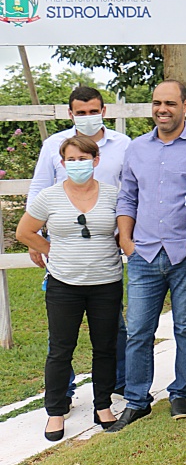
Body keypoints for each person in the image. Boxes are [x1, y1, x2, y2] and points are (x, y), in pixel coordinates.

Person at [108, 81, 186, 433]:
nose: (161, 109)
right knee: (138, 330)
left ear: (185, 105)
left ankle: (181, 393)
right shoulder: (137, 148)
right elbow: (128, 197)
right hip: (144, 254)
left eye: (169, 103)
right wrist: (126, 239)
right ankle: (137, 400)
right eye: (156, 103)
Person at [28, 85, 131, 398]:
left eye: (93, 111)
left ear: (103, 111)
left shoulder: (123, 145)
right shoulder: (53, 146)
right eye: (80, 112)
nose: (87, 117)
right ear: (71, 113)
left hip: (106, 246)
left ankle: (120, 385)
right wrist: (39, 243)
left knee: (114, 327)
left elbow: (130, 193)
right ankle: (63, 391)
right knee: (61, 334)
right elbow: (39, 190)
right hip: (65, 250)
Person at [17, 136, 123, 440]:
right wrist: (51, 249)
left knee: (105, 347)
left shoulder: (113, 196)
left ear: (96, 160)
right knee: (61, 349)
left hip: (106, 283)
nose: (78, 165)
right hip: (64, 285)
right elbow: (24, 231)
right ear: (62, 164)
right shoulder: (49, 197)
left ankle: (103, 406)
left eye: (84, 158)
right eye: (71, 160)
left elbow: (124, 230)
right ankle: (55, 411)